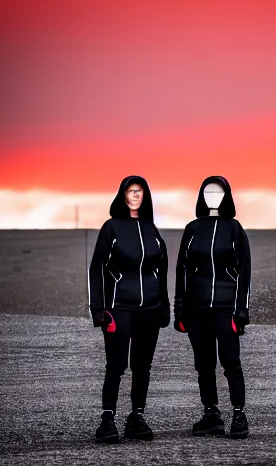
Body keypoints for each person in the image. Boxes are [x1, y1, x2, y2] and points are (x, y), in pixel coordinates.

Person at [88, 175, 170, 444]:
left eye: (140, 191)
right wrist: (98, 308)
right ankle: (107, 420)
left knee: (142, 367)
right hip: (119, 309)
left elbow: (162, 268)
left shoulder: (151, 228)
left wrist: (165, 305)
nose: (136, 195)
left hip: (150, 309)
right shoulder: (111, 228)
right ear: (122, 194)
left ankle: (136, 417)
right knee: (116, 366)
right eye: (131, 190)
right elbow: (96, 268)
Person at [174, 176, 251, 439]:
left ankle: (239, 414)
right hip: (197, 309)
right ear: (201, 196)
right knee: (204, 363)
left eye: (219, 192)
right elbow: (181, 269)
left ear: (228, 195)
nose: (213, 196)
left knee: (231, 361)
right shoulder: (193, 229)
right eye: (208, 192)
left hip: (226, 307)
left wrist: (241, 311)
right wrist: (180, 309)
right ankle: (211, 414)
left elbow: (244, 272)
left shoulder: (234, 229)